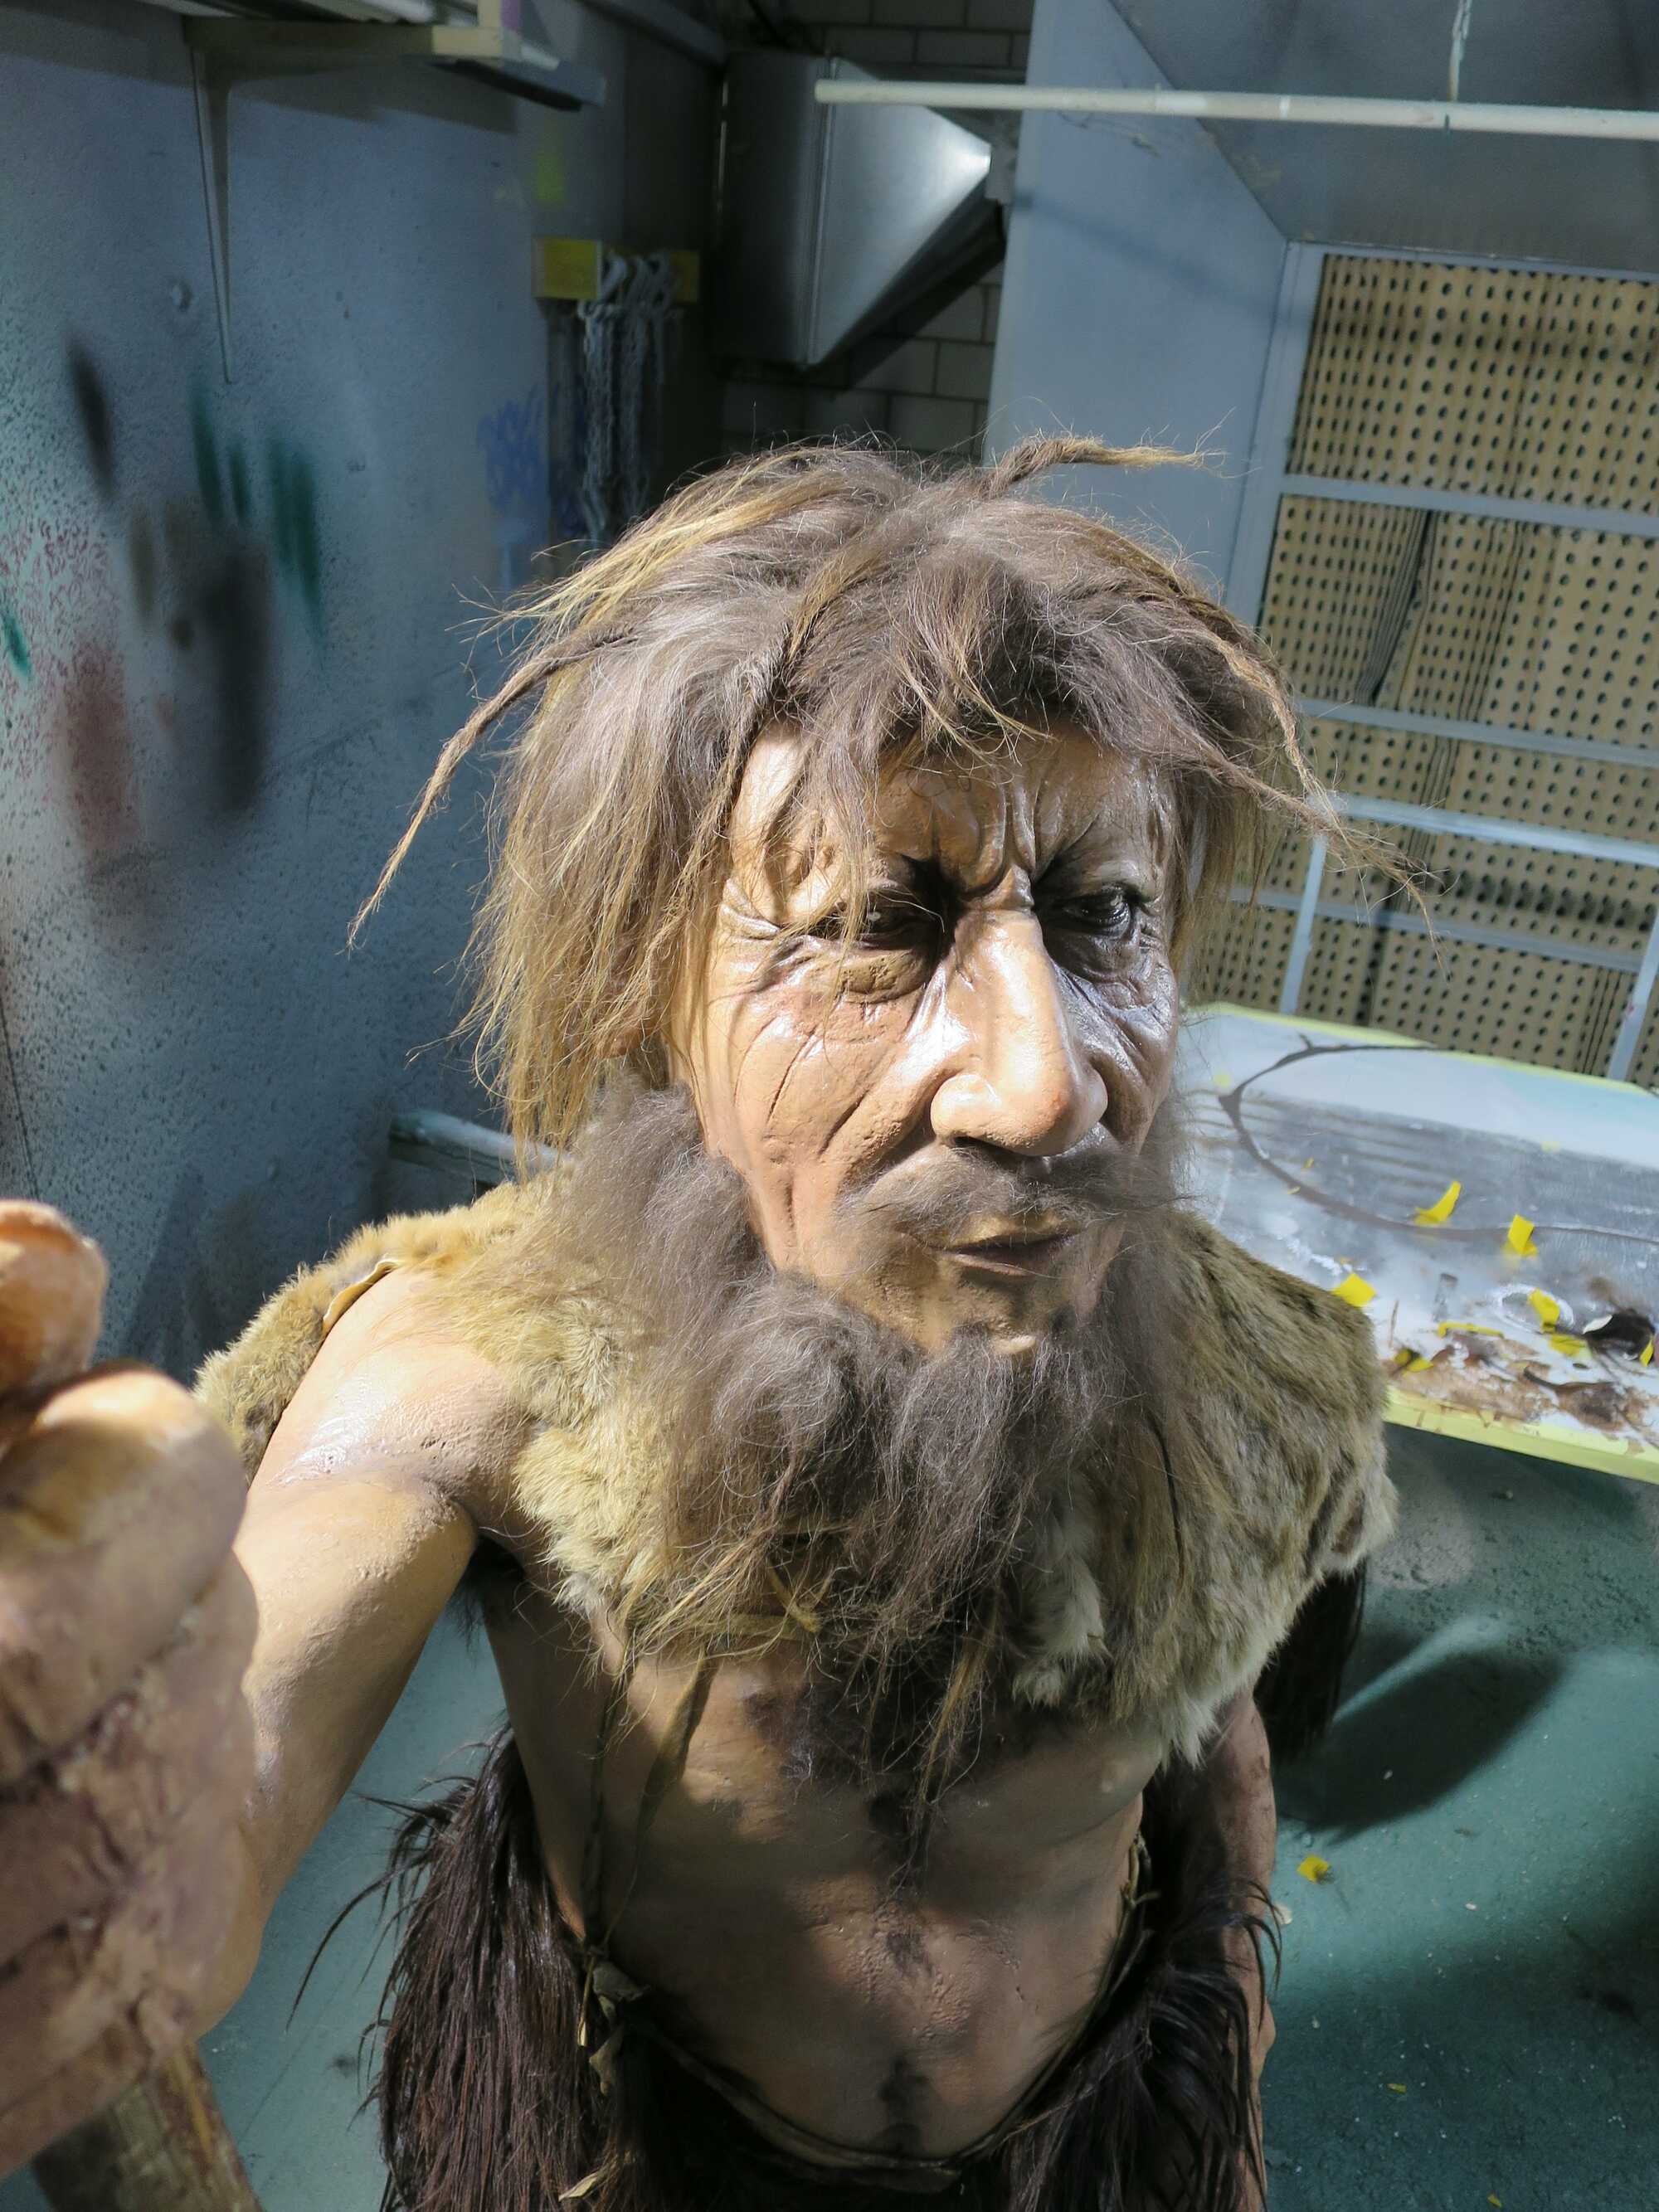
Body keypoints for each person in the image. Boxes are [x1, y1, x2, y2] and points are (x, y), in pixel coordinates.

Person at [0, 437, 1395, 2210]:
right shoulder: (482, 1370)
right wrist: (116, 1814)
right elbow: (229, 1757)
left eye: (1101, 913)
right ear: (645, 988)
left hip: (1082, 2132)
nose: (1046, 1089)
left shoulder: (1253, 1384)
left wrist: (1227, 2103)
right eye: (876, 928)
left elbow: (1212, 1748)